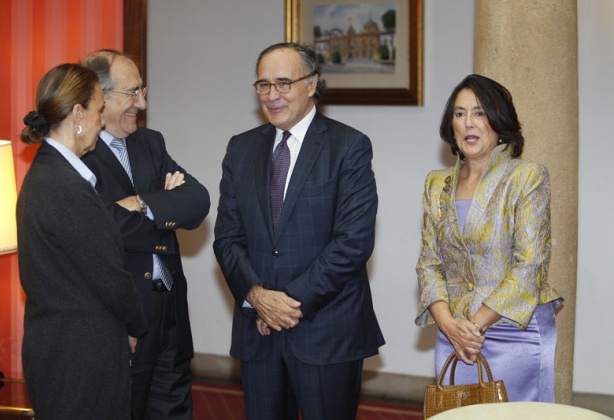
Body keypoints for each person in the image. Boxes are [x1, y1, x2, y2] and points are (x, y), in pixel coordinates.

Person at [213, 42, 385, 420]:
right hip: (259, 332)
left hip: (327, 331)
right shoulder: (240, 149)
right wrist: (257, 296)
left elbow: (352, 242)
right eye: (263, 85)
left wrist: (286, 305)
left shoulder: (348, 146)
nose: (272, 95)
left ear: (312, 84)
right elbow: (227, 238)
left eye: (283, 83)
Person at [415, 74, 564, 402]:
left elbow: (530, 265)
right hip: (454, 333)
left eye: (479, 113)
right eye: (459, 113)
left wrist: (476, 325)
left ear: (499, 120)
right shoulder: (435, 184)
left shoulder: (526, 177)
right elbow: (429, 263)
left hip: (513, 330)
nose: (468, 122)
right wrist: (449, 324)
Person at [80, 50, 210, 419]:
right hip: (124, 319)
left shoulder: (150, 143)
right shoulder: (80, 154)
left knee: (173, 408)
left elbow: (197, 201)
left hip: (168, 306)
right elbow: (103, 227)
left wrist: (139, 202)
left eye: (143, 90)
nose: (143, 103)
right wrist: (165, 204)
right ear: (99, 97)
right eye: (133, 93)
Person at [17, 63, 149, 419]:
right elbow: (109, 275)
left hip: (63, 350)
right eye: (98, 111)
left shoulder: (47, 173)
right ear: (78, 114)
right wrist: (137, 325)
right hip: (80, 358)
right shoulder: (64, 185)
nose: (102, 122)